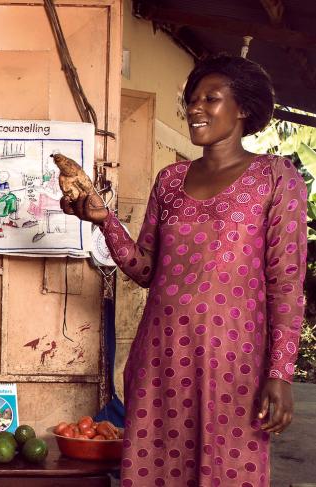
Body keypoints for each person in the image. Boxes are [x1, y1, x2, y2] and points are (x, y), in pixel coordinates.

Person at [63, 54, 305, 487]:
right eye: (192, 100)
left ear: (243, 107)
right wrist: (105, 221)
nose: (196, 109)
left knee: (228, 472)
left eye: (210, 99)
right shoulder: (170, 180)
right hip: (161, 354)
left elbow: (286, 282)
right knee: (158, 471)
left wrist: (280, 373)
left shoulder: (274, 176)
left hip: (235, 361)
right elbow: (144, 269)